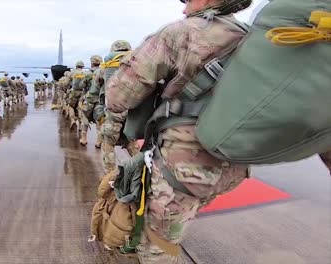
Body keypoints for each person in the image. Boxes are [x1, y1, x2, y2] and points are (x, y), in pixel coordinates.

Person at [105, 0, 252, 263]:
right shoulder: (253, 38)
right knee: (179, 218)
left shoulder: (179, 33)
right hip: (235, 163)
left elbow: (118, 98)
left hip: (183, 169)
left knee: (158, 247)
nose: (184, 8)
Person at [101, 41, 140, 173]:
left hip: (114, 111)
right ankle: (141, 172)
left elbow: (96, 87)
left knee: (109, 145)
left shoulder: (106, 65)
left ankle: (110, 176)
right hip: (133, 111)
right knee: (131, 142)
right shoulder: (137, 62)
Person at [78, 55, 103, 146]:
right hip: (100, 100)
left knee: (85, 117)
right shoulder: (102, 72)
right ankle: (99, 141)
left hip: (89, 98)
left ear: (92, 63)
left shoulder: (88, 73)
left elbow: (81, 86)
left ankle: (84, 138)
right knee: (99, 120)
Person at [67, 61, 86, 130]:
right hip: (82, 92)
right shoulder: (85, 73)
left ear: (76, 66)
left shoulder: (72, 72)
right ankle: (80, 125)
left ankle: (73, 120)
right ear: (82, 66)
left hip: (74, 92)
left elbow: (68, 82)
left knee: (71, 106)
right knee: (80, 108)